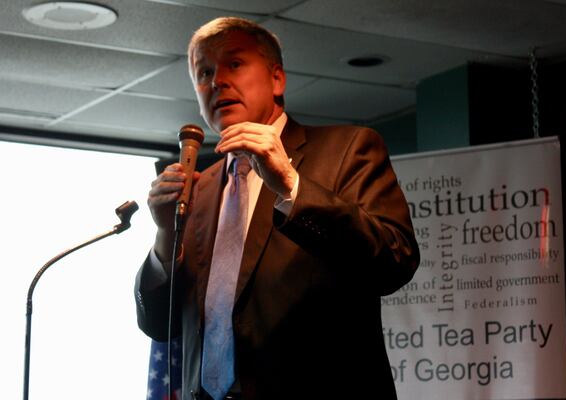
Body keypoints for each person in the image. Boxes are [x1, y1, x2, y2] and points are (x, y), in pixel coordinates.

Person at [135, 16, 420, 400]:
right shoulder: (198, 191)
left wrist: (290, 185)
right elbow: (158, 324)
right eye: (203, 72)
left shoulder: (348, 150)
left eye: (233, 64)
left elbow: (393, 263)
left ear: (277, 79)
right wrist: (166, 234)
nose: (217, 81)